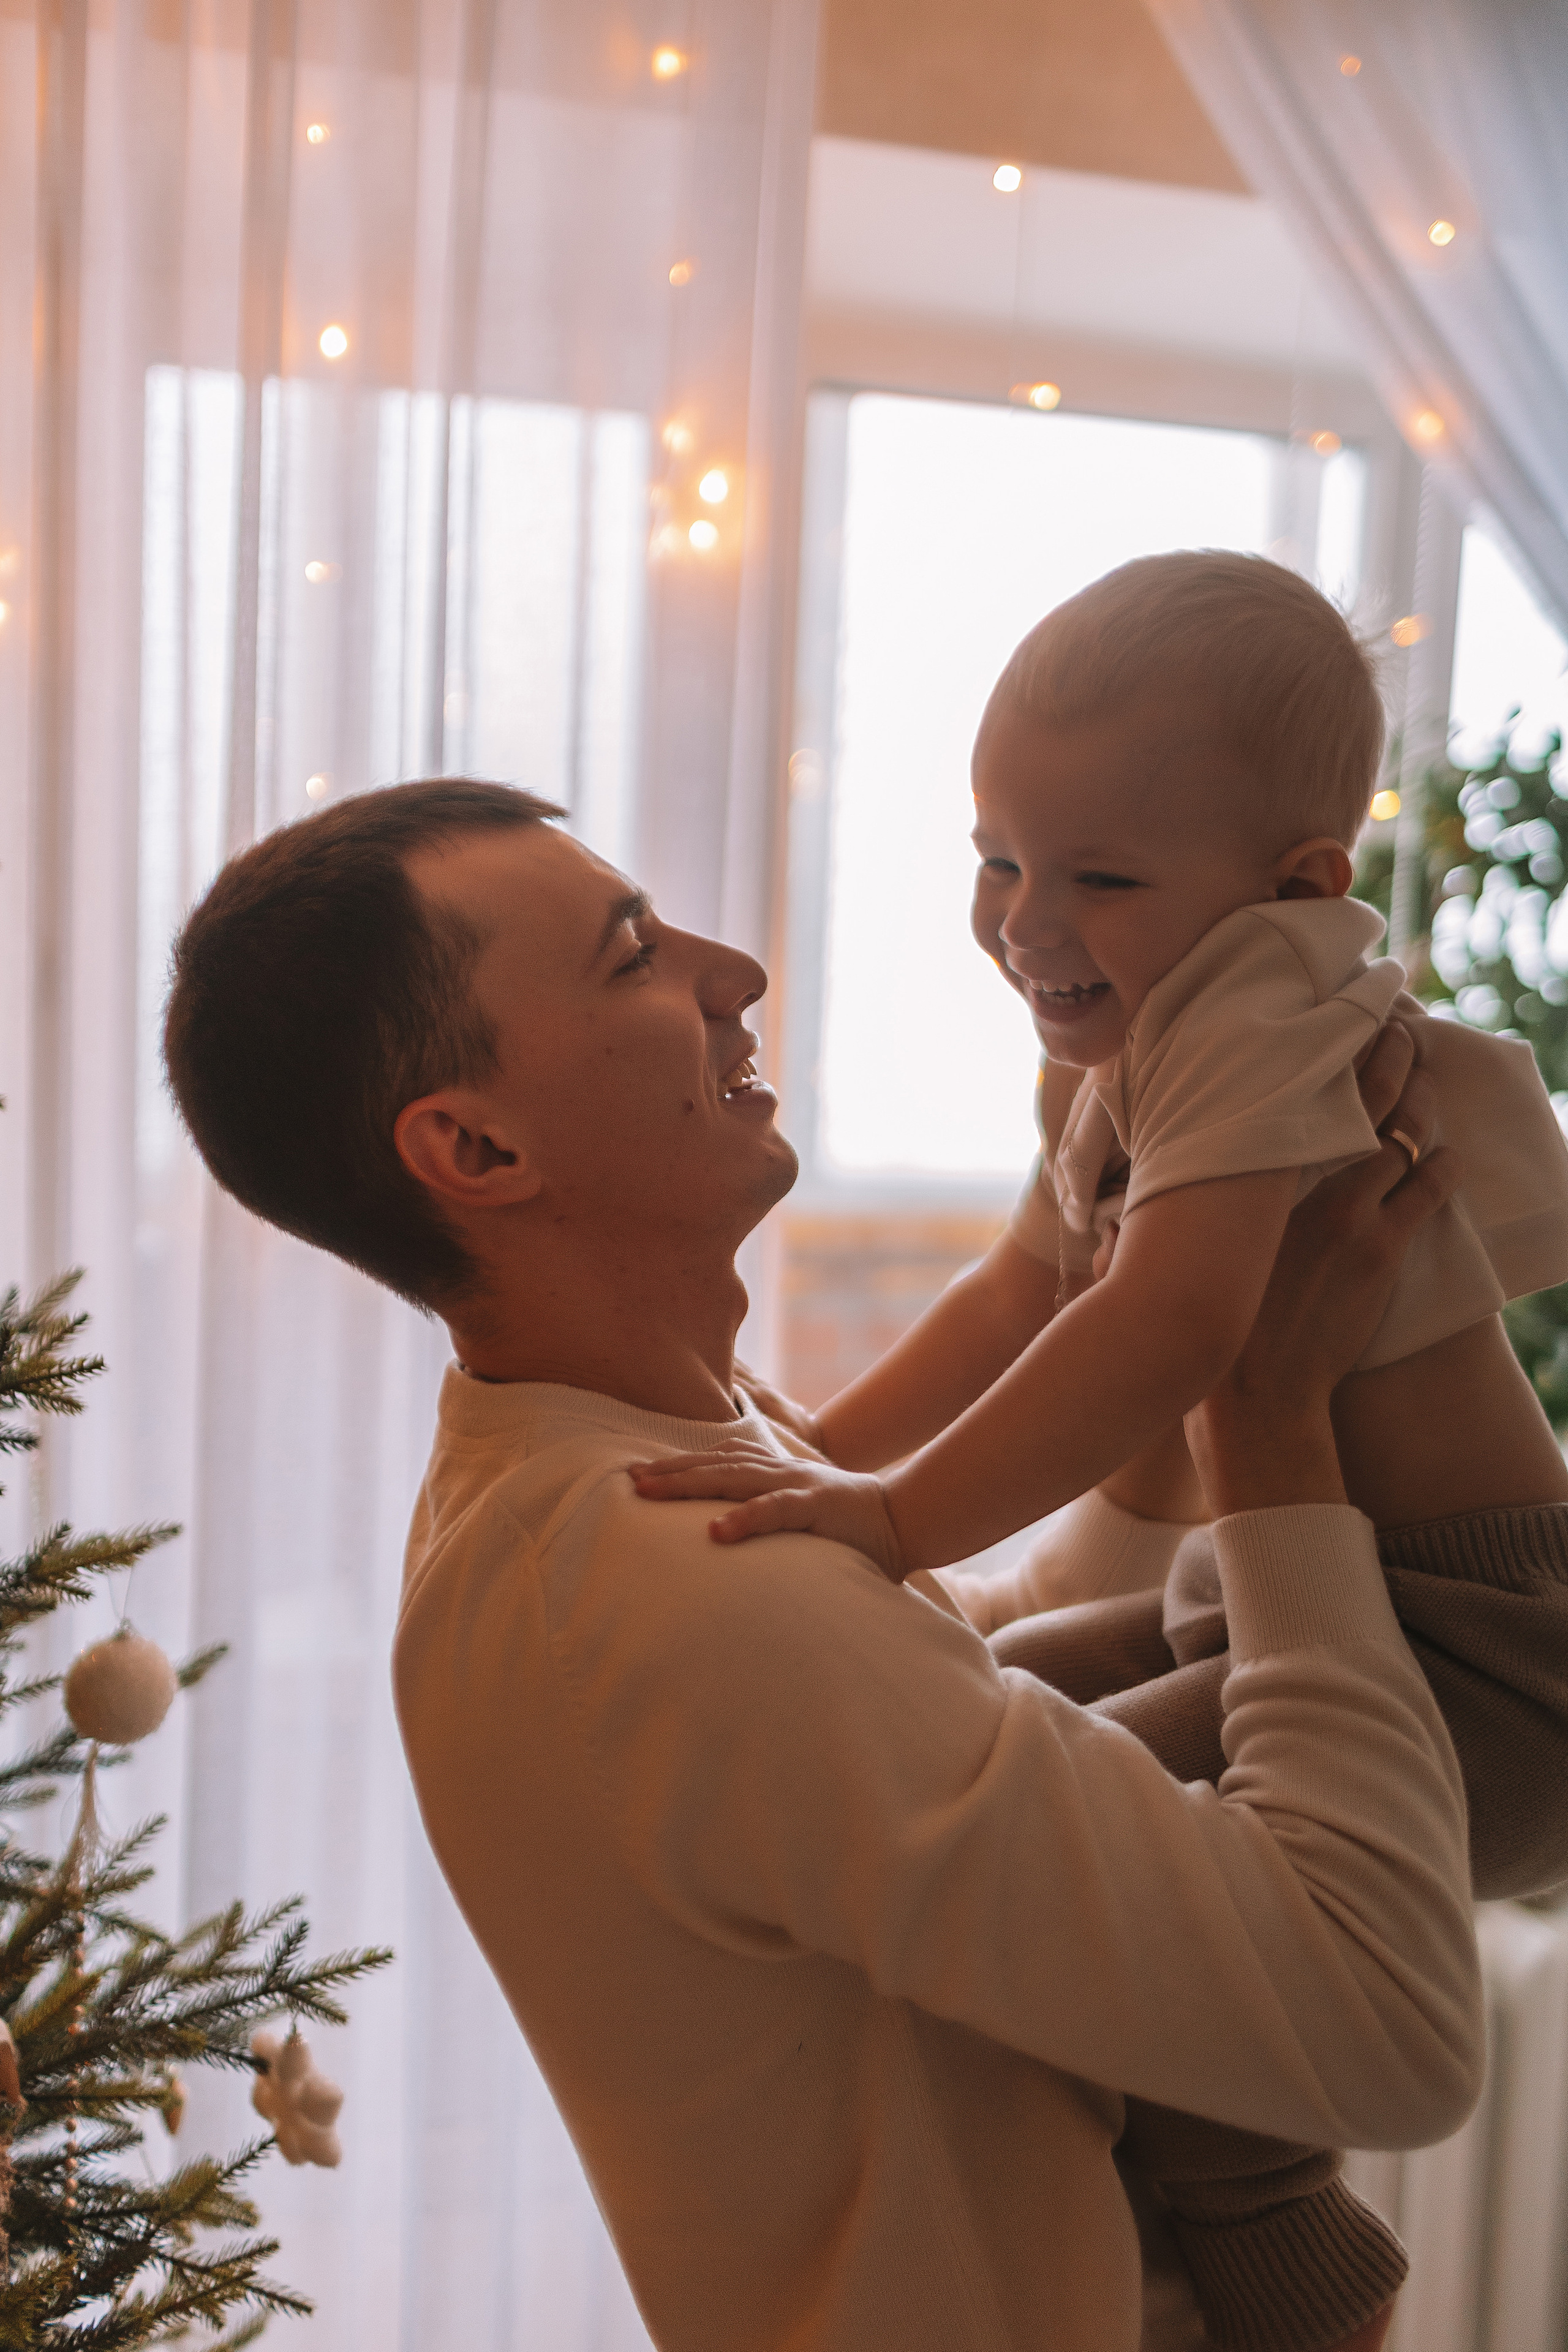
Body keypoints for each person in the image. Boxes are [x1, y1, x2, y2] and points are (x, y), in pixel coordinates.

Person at [160, 778, 1483, 2352]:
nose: (734, 973)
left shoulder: (622, 1456)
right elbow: (1391, 2028)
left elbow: (959, 1698)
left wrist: (1155, 1290)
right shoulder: (668, 1582)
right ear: (475, 1144)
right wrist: (1264, 1433)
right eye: (633, 952)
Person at [624, 554, 1568, 2350]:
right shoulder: (1131, 1023)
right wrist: (828, 1451)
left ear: (1299, 887)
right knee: (999, 1702)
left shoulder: (1260, 1012)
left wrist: (888, 1516)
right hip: (1288, 1603)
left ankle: (1285, 2240)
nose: (1023, 923)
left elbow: (1167, 1333)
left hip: (1497, 1654)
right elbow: (1019, 1290)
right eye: (998, 859)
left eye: (1098, 880)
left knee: (1119, 1879)